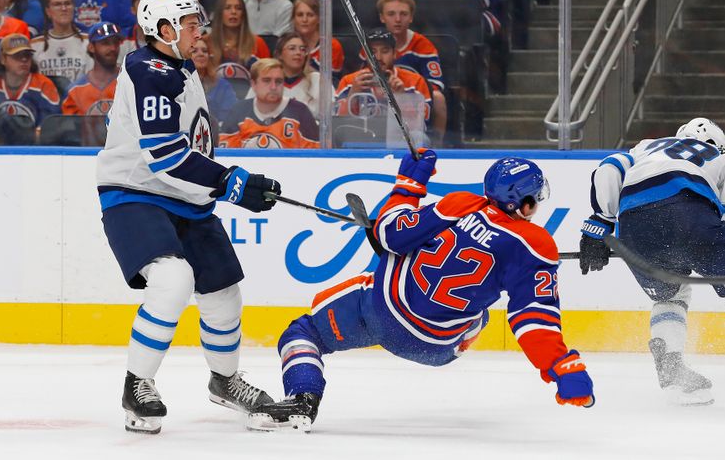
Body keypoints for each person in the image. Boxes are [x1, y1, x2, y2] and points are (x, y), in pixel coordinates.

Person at [248, 153, 595, 431]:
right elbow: (533, 318)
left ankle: (303, 398)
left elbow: (388, 233)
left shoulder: (459, 203)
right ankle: (463, 325)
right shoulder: (536, 246)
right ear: (526, 204)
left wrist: (409, 185)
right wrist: (561, 365)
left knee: (303, 332)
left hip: (379, 311)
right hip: (438, 347)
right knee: (481, 313)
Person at [96, 0, 281, 434]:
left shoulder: (180, 66)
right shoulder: (150, 69)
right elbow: (163, 154)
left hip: (187, 199)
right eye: (190, 24)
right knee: (172, 279)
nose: (200, 32)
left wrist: (224, 183)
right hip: (135, 192)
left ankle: (225, 381)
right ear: (163, 30)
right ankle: (136, 384)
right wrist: (230, 182)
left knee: (223, 295)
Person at [579, 118, 725, 406]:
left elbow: (609, 167)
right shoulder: (722, 157)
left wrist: (599, 222)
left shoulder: (644, 148)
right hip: (689, 214)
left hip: (635, 228)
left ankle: (671, 363)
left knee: (672, 294)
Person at [335, 28, 434, 142]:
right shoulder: (349, 81)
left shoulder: (415, 82)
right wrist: (353, 93)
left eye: (385, 51)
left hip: (399, 140)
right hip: (361, 138)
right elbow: (338, 127)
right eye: (372, 51)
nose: (378, 57)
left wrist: (401, 98)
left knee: (419, 137)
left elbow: (422, 127)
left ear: (394, 54)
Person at [376, 0, 447, 142]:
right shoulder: (373, 45)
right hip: (379, 100)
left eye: (403, 14)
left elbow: (434, 86)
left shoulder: (423, 46)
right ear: (382, 17)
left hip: (415, 100)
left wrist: (406, 94)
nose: (397, 19)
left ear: (411, 17)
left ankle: (437, 144)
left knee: (438, 98)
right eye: (391, 14)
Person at [220, 57, 318, 149]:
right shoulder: (239, 111)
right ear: (253, 84)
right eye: (266, 81)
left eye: (278, 81)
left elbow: (314, 156)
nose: (273, 87)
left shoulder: (300, 112)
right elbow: (225, 154)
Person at [246, 31, 323, 119]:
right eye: (292, 48)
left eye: (302, 49)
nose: (298, 52)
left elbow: (331, 115)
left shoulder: (317, 80)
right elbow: (247, 113)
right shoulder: (264, 79)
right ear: (279, 54)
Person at [0, 32, 60, 127]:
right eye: (17, 55)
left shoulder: (43, 85)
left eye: (27, 55)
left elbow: (51, 126)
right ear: (3, 59)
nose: (24, 59)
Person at [62, 21, 121, 116]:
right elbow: (69, 129)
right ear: (91, 47)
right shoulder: (75, 91)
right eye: (105, 43)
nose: (113, 48)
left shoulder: (131, 83)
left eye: (116, 43)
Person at [31, 0, 91, 82]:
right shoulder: (34, 45)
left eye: (67, 3)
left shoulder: (89, 42)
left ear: (73, 8)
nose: (64, 8)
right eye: (57, 4)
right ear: (48, 12)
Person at [208, 0, 270, 75]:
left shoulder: (258, 43)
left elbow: (268, 75)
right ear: (219, 13)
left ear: (243, 14)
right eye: (227, 7)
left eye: (238, 8)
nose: (233, 12)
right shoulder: (206, 42)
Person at [292, 0, 344, 81]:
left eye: (310, 15)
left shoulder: (331, 45)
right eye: (300, 15)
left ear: (319, 19)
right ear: (293, 19)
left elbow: (331, 83)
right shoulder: (286, 44)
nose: (304, 20)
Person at [191, 34, 236, 125]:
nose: (201, 54)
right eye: (194, 51)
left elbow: (230, 116)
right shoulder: (178, 83)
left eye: (205, 51)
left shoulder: (223, 85)